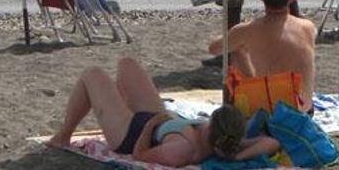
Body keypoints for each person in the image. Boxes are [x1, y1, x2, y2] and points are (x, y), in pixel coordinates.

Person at [47, 57, 281, 167]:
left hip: (130, 135)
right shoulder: (228, 140)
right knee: (127, 63)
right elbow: (270, 142)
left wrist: (150, 126)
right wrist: (237, 156)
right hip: (159, 120)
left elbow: (140, 155)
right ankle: (114, 107)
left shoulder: (182, 150)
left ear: (212, 127)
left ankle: (63, 136)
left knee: (93, 74)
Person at [208, 0, 317, 113]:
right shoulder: (309, 28)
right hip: (302, 109)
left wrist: (233, 34)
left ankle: (234, 103)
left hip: (268, 109)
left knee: (237, 49)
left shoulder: (247, 30)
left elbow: (213, 48)